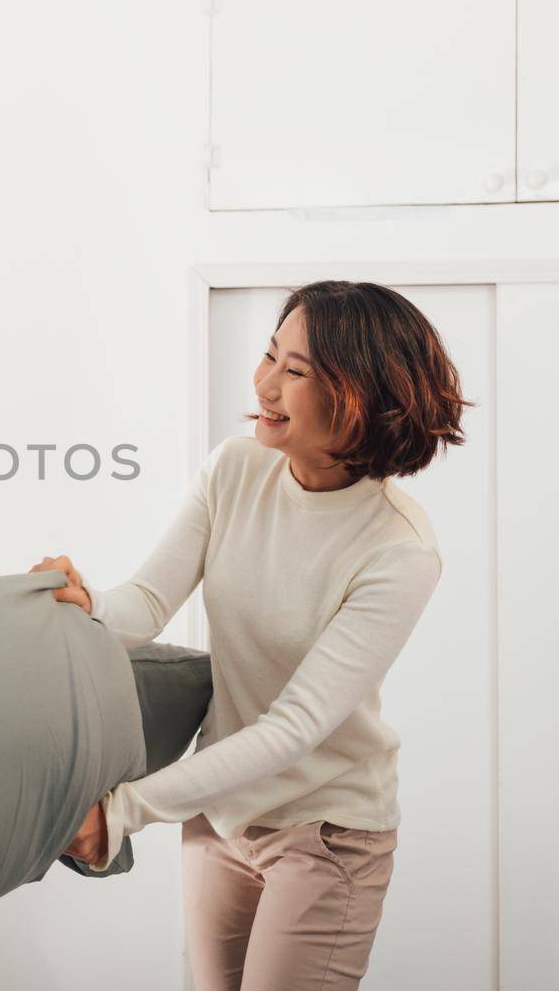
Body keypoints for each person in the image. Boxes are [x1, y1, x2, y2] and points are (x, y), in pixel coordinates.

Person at [34, 280, 469, 991]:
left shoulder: (399, 547)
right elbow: (145, 603)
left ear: (361, 396)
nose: (263, 382)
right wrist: (86, 604)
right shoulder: (235, 468)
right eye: (270, 355)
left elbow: (293, 726)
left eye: (294, 371)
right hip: (222, 813)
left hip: (327, 834)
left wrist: (125, 810)